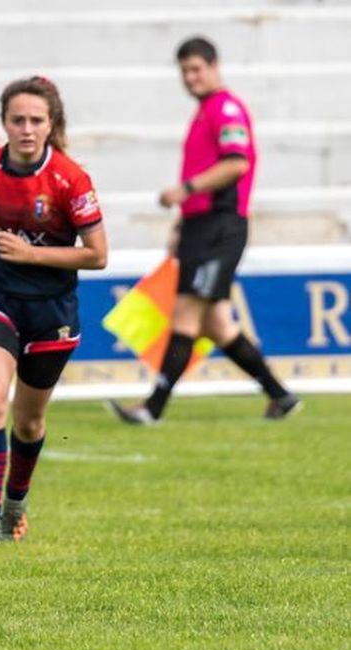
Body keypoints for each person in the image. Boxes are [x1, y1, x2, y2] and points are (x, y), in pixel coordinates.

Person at [0, 76, 108, 545]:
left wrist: (33, 254)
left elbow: (97, 255)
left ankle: (15, 503)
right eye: (18, 120)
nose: (27, 129)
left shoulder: (70, 179)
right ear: (4, 123)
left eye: (36, 120)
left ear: (51, 124)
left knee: (30, 420)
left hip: (53, 308)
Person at [108, 37, 300, 426]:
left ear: (215, 66)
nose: (191, 77)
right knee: (217, 325)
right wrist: (182, 223)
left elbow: (236, 165)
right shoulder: (204, 112)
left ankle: (152, 407)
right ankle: (281, 396)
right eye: (184, 71)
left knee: (186, 314)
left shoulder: (226, 109)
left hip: (220, 228)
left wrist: (186, 190)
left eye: (197, 69)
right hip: (200, 228)